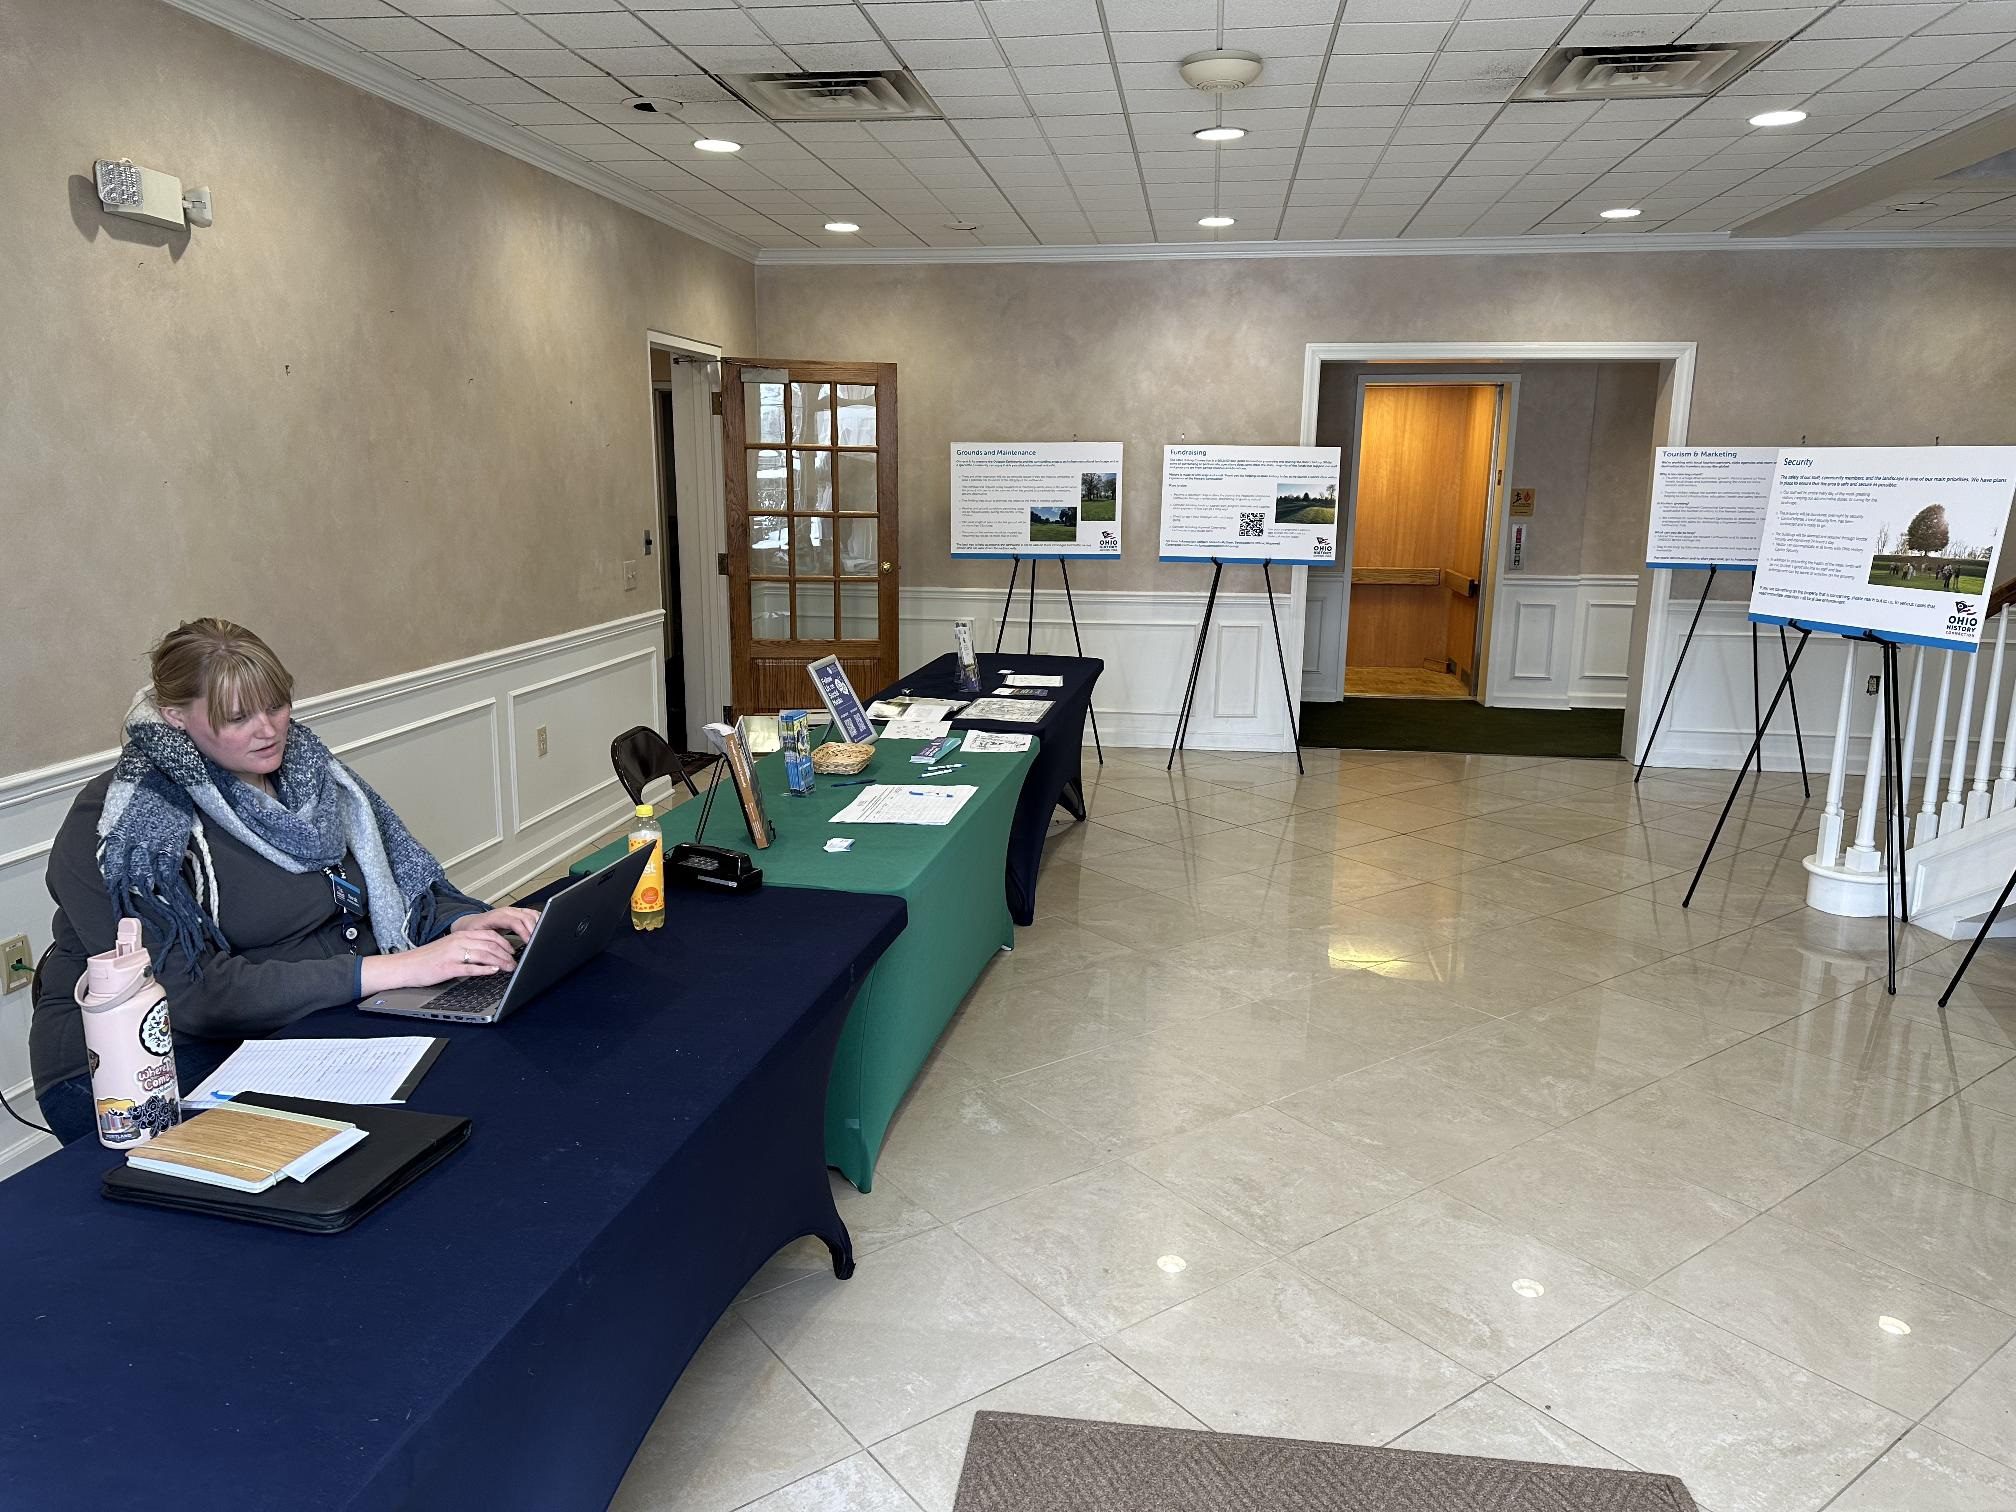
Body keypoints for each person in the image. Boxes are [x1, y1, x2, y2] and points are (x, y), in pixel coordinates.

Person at [31, 619, 538, 1143]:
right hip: (139, 1065)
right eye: (238, 717)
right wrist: (400, 967)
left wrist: (458, 921)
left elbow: (390, 887)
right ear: (175, 717)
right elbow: (194, 996)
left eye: (276, 706)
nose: (269, 730)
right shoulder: (126, 827)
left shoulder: (308, 772)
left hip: (302, 1019)